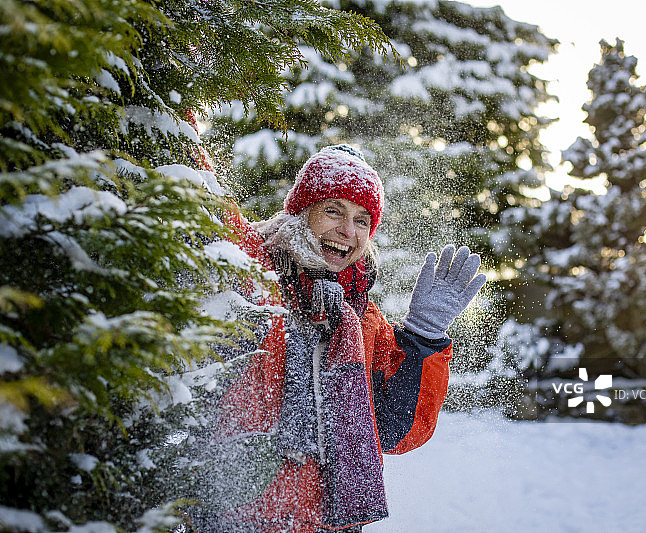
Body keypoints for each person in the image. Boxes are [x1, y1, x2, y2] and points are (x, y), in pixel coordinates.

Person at [204, 145, 486, 532]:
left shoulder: (361, 318)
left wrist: (423, 335)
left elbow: (395, 431)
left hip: (330, 523)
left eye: (362, 219)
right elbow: (198, 193)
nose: (347, 232)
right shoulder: (249, 266)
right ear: (302, 213)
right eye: (333, 210)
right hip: (237, 515)